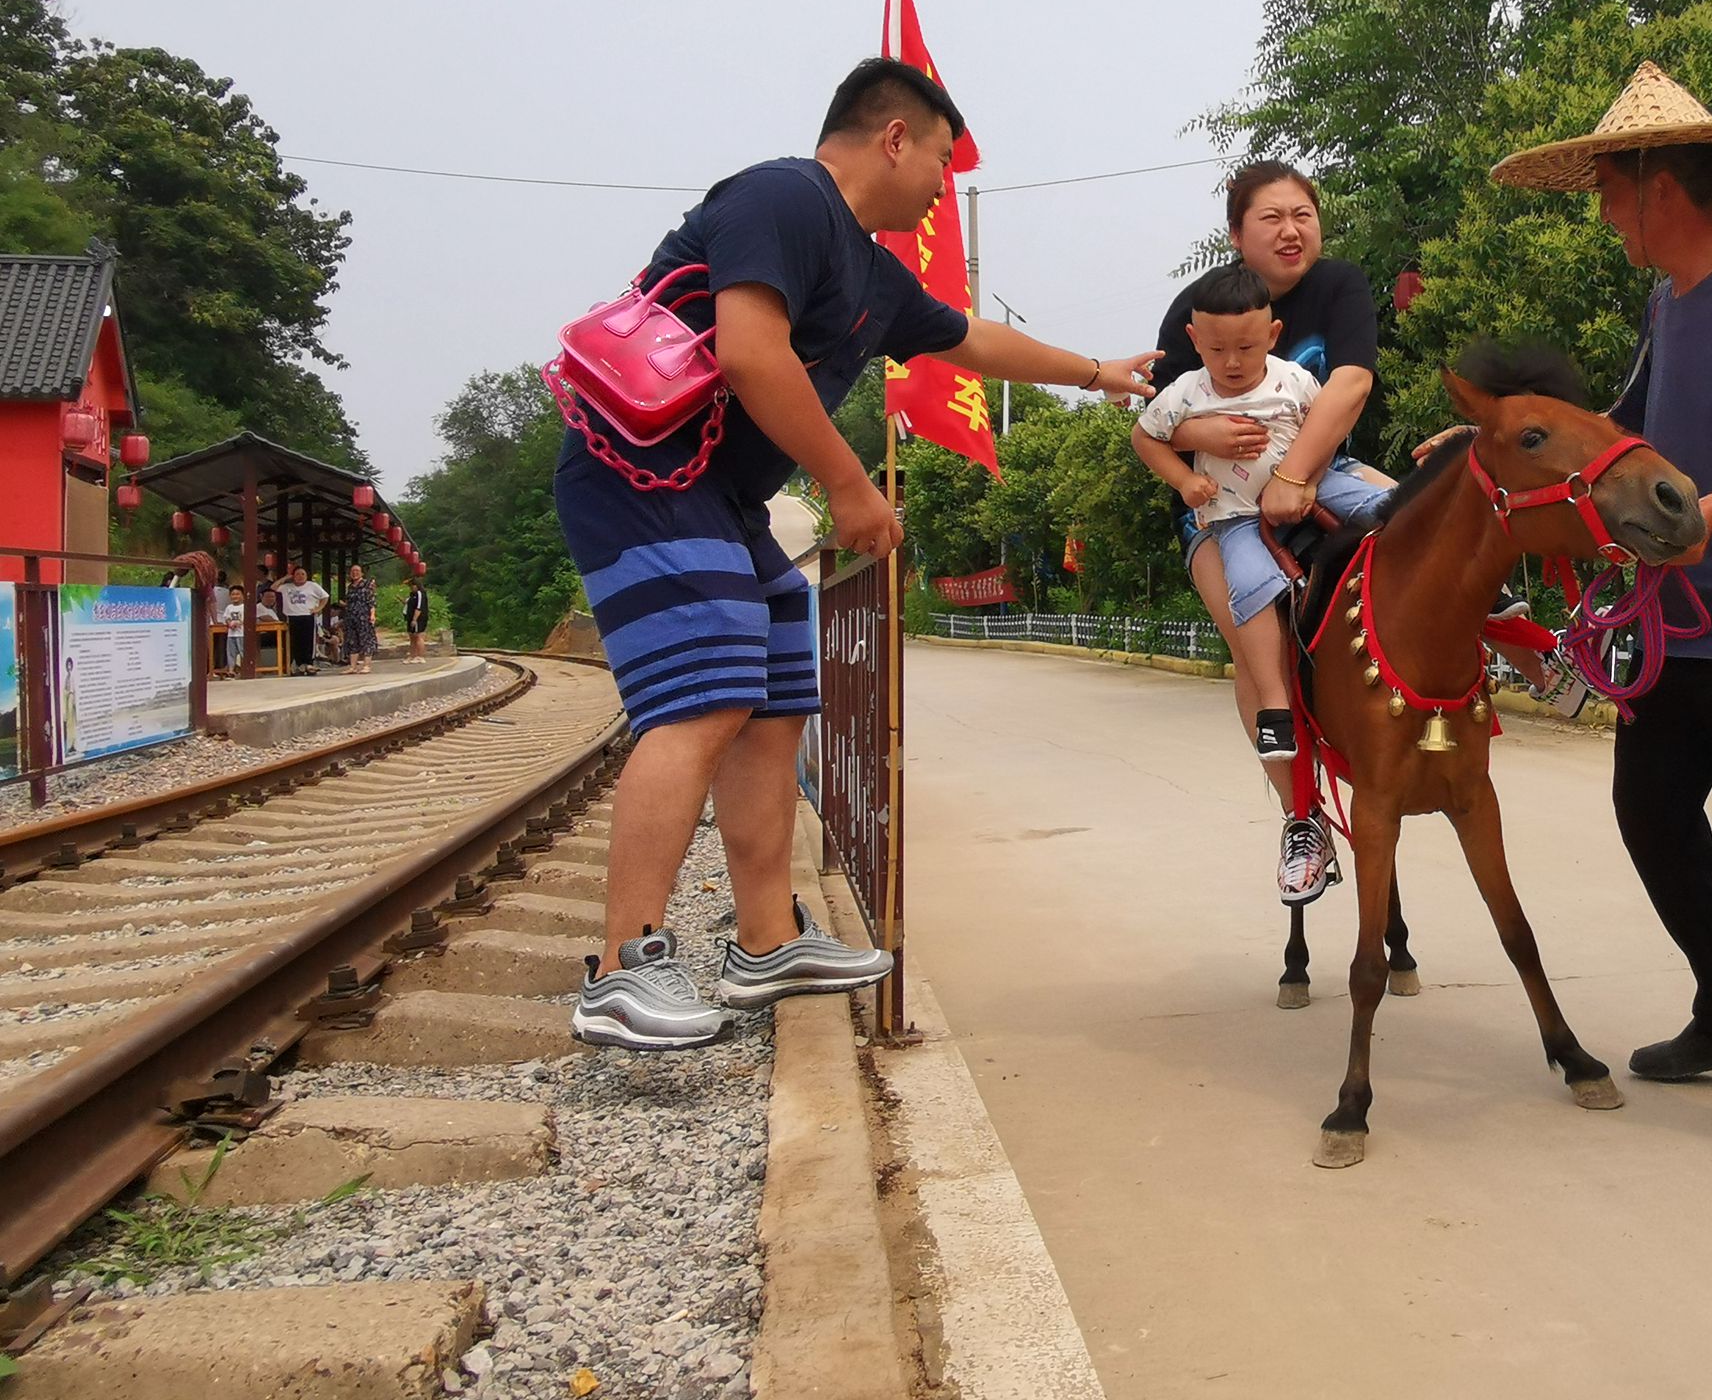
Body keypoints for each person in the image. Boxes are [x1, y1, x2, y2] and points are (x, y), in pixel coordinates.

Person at [552, 57, 1158, 1051]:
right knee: (701, 701)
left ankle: (763, 942)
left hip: (725, 496)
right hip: (642, 474)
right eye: (940, 164)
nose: (939, 189)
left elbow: (972, 342)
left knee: (779, 696)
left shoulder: (873, 273)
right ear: (895, 137)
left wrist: (1097, 372)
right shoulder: (781, 197)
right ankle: (623, 966)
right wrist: (848, 484)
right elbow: (751, 352)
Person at [1492, 60, 1712, 1171]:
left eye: (1606, 189)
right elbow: (1619, 431)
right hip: (1680, 619)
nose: (1601, 213)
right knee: (1650, 811)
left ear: (1656, 188)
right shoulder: (1668, 300)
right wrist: (1495, 441)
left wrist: (1706, 517)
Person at [1149, 162, 1590, 906]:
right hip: (1218, 508)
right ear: (1235, 234)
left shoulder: (1341, 284)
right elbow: (1158, 416)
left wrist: (1295, 476)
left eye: (1303, 214)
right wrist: (1205, 437)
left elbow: (1350, 384)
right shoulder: (1200, 310)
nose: (1291, 230)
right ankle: (1301, 820)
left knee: (1435, 527)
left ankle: (1530, 649)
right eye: (1271, 219)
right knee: (1257, 634)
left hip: (1321, 471)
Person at [1133, 262, 1390, 901]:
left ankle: (1516, 631)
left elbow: (1335, 421)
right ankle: (1280, 726)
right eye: (1218, 349)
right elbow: (1145, 434)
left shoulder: (1297, 374)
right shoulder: (1188, 388)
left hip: (1311, 485)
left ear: (1272, 334)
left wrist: (1304, 475)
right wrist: (1184, 478)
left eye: (1247, 347)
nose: (1233, 360)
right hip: (1237, 519)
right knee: (1250, 592)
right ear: (1195, 340)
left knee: (1398, 508)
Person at [278, 565, 329, 676]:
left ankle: (309, 663)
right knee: (294, 642)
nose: (300, 576)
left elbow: (325, 597)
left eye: (303, 574)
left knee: (308, 641)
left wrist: (318, 608)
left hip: (307, 615)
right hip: (292, 616)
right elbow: (273, 587)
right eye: (297, 574)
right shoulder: (287, 587)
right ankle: (298, 664)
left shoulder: (312, 586)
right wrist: (286, 577)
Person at [341, 564, 377, 675]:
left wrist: (372, 615)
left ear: (362, 573)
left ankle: (366, 665)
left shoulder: (368, 584)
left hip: (363, 616)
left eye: (357, 571)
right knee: (352, 640)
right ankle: (353, 666)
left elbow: (372, 601)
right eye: (352, 571)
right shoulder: (350, 587)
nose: (354, 573)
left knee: (366, 639)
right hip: (351, 616)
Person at [404, 577, 432, 664]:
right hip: (410, 617)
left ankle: (420, 656)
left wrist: (414, 619)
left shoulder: (420, 594)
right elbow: (408, 603)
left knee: (418, 636)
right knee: (412, 637)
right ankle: (412, 655)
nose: (411, 588)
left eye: (413, 586)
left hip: (418, 618)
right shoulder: (412, 595)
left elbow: (419, 607)